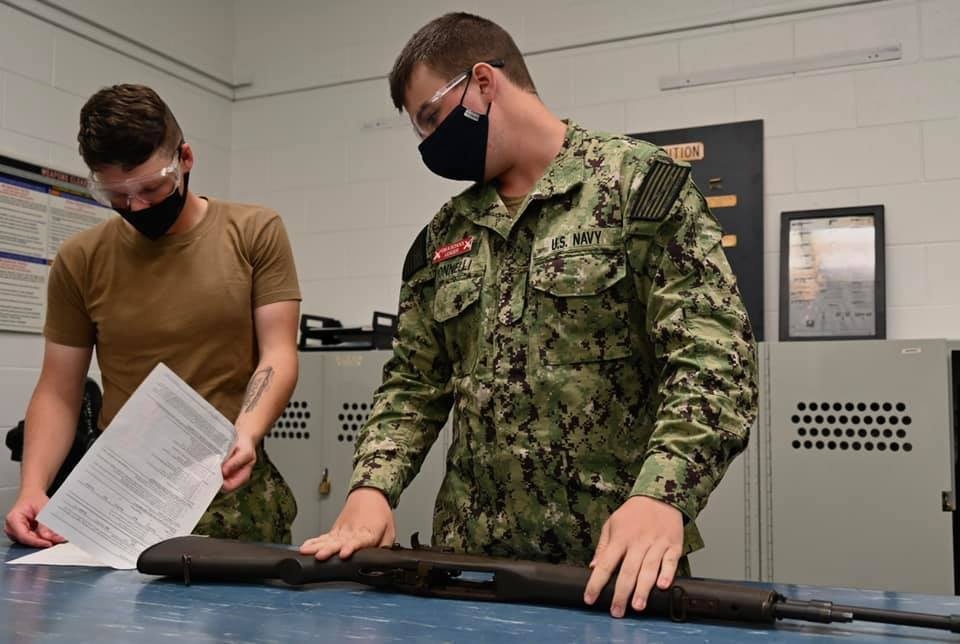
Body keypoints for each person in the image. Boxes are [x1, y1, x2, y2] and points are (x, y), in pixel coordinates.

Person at [301, 13, 758, 618]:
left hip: (610, 573)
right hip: (467, 573)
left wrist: (663, 494)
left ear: (483, 82)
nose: (429, 143)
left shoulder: (635, 189)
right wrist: (370, 487)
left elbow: (713, 359)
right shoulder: (443, 236)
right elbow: (413, 385)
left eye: (432, 118)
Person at [4, 84, 301, 546]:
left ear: (184, 158)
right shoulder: (80, 259)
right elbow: (59, 390)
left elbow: (278, 353)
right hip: (120, 490)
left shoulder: (253, 232)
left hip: (226, 483)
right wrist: (33, 488)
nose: (137, 206)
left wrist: (248, 432)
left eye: (150, 187)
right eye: (117, 195)